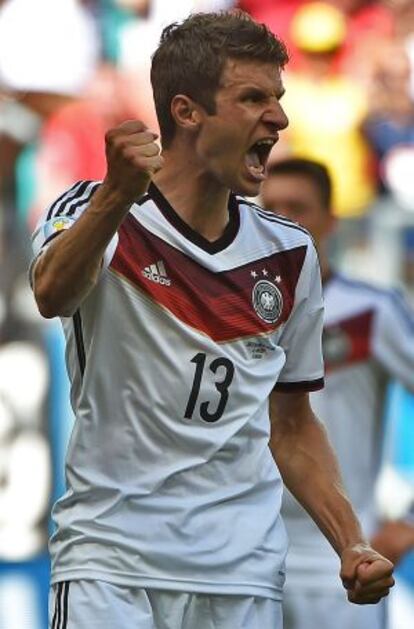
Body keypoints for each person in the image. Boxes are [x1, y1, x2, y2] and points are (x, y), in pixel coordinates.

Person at [30, 12, 394, 629]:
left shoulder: (288, 252)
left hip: (240, 576)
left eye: (278, 100)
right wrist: (116, 197)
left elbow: (293, 422)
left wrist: (350, 540)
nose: (277, 119)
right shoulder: (95, 211)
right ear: (187, 112)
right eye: (253, 98)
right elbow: (51, 293)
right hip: (113, 568)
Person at [261, 156, 414, 629]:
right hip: (247, 554)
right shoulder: (233, 312)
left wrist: (408, 523)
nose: (283, 220)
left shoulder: (368, 310)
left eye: (298, 207)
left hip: (342, 562)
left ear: (330, 220)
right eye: (271, 208)